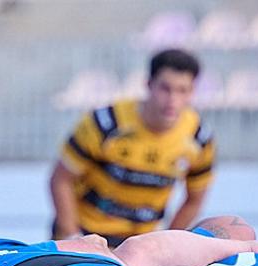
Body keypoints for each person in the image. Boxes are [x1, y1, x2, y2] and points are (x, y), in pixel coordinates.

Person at [50, 49, 215, 244]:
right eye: (165, 88)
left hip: (137, 244)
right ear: (148, 84)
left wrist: (165, 242)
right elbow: (61, 180)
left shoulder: (198, 138)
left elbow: (194, 199)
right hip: (86, 234)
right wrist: (73, 238)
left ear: (192, 92)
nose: (173, 100)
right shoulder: (107, 123)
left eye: (182, 90)